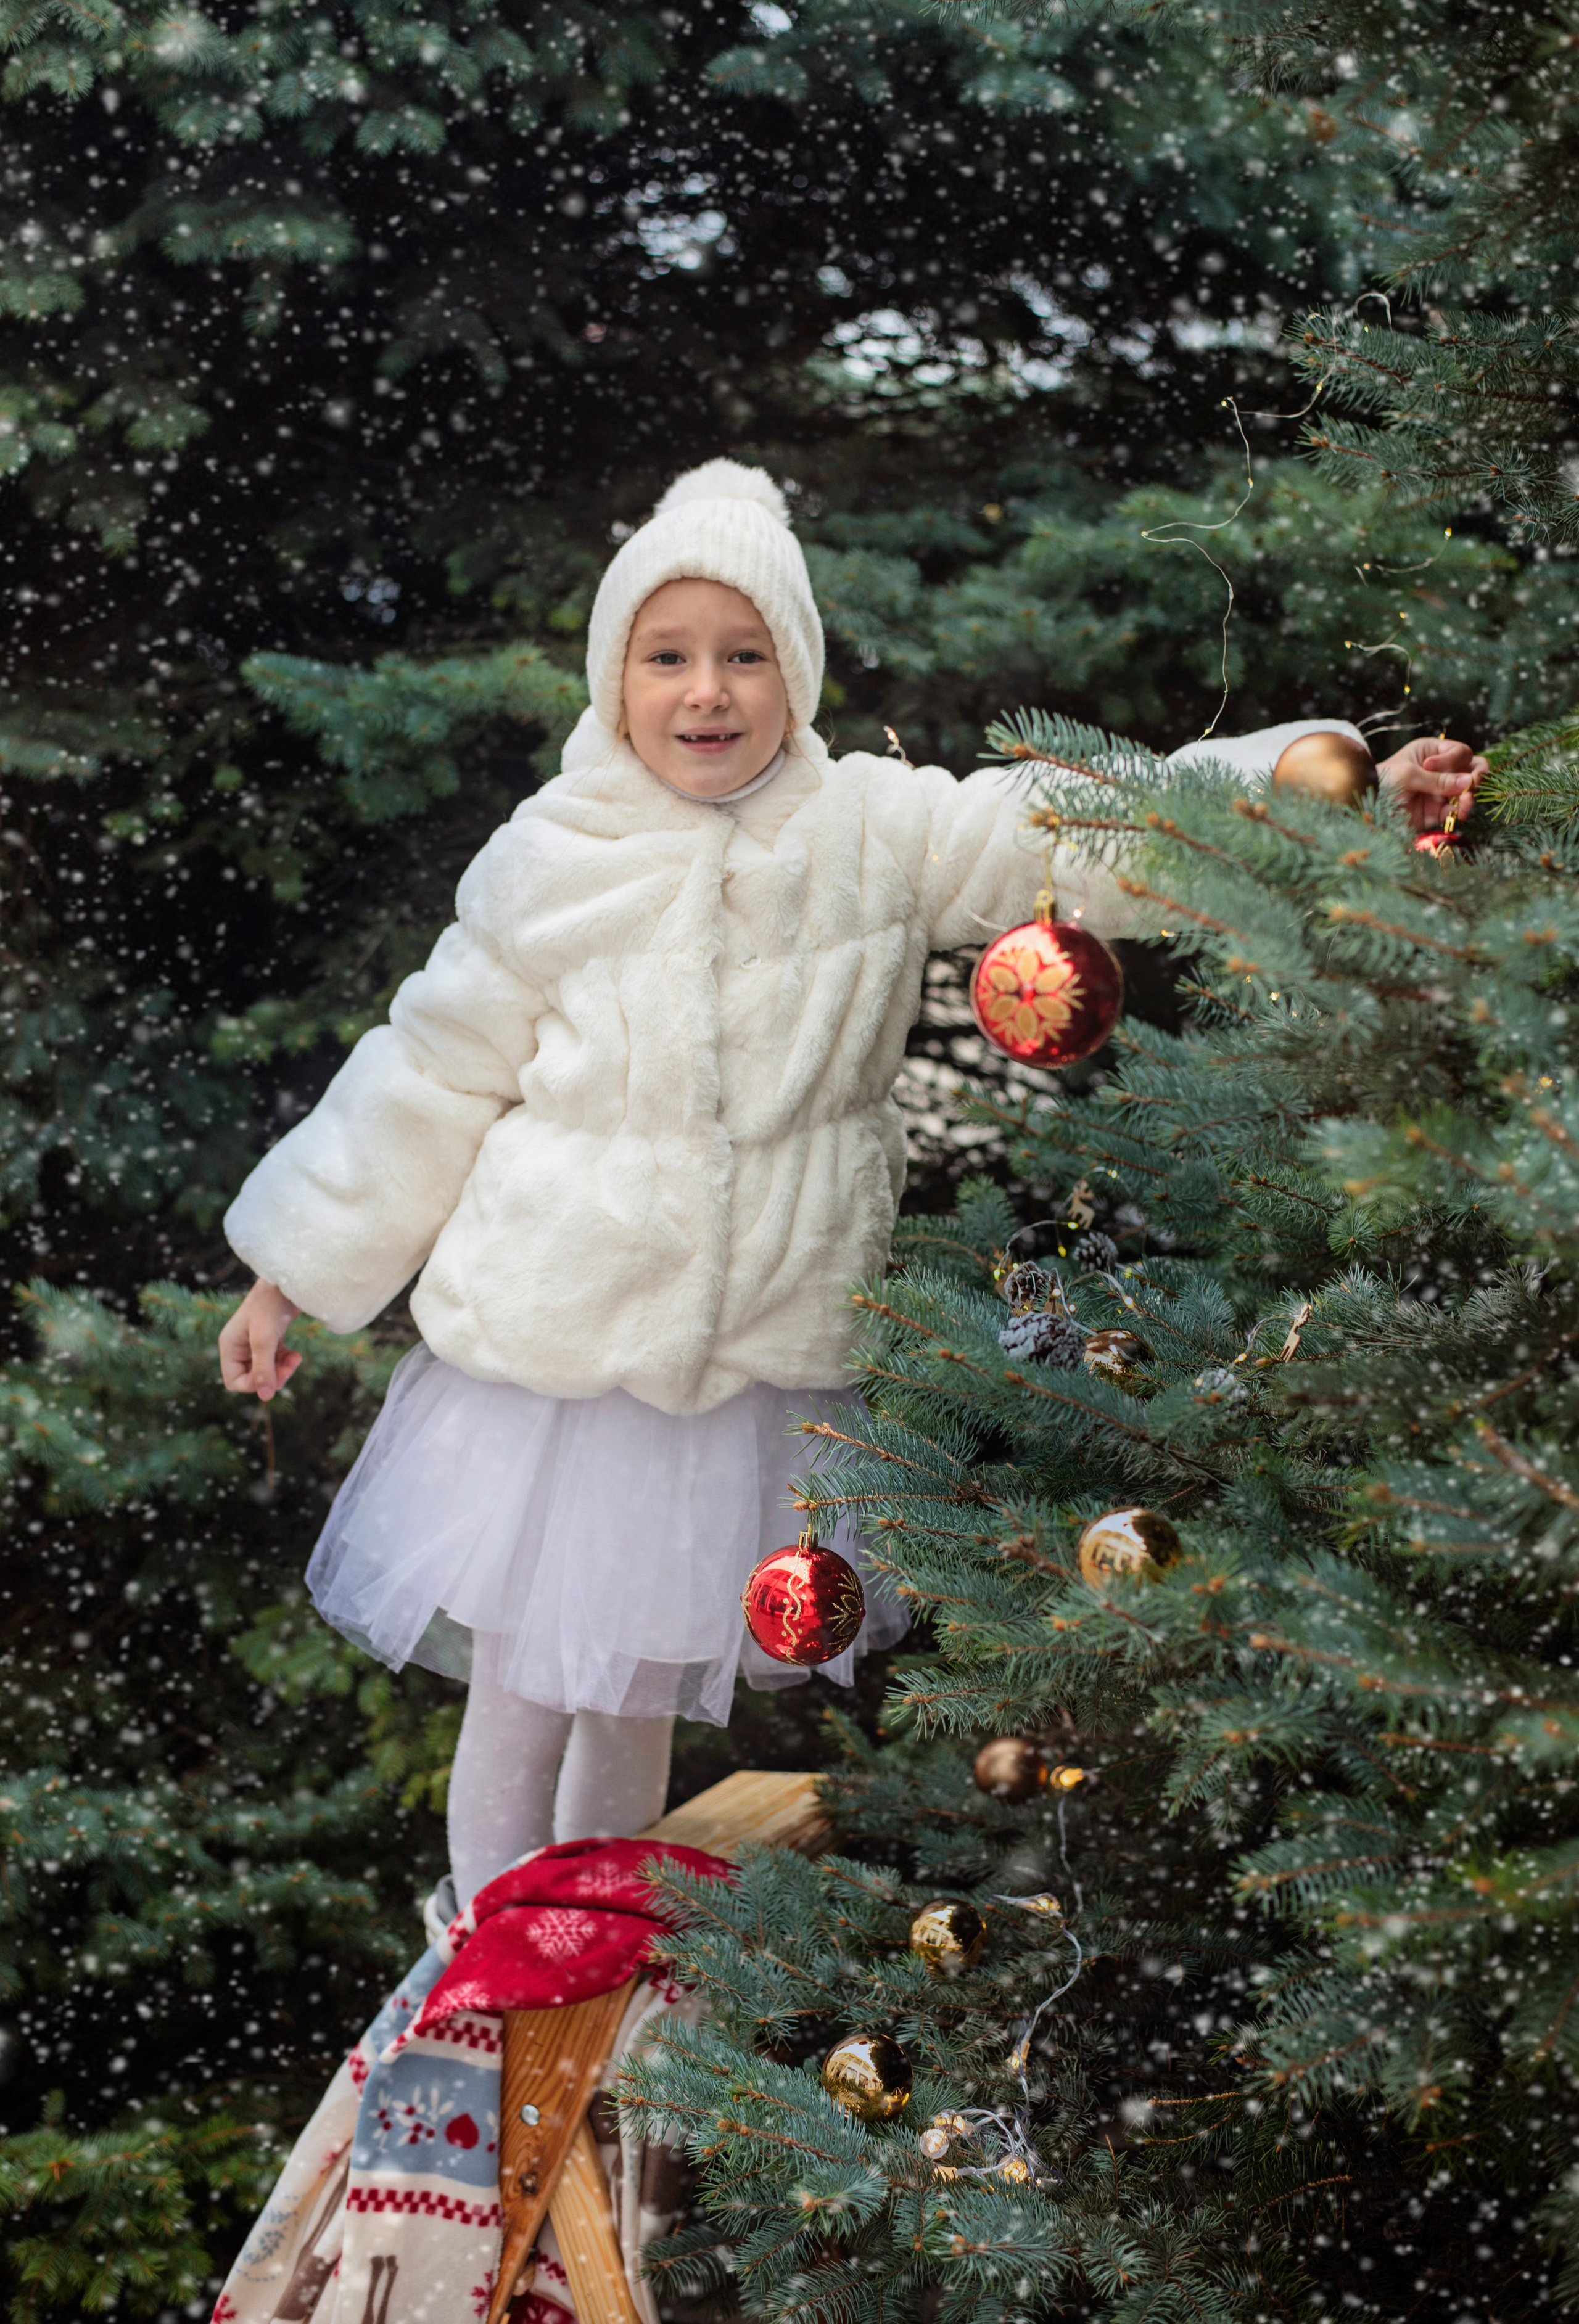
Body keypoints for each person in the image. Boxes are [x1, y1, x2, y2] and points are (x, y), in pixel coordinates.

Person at [216, 459, 1485, 1914]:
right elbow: (428, 1071)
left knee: (635, 1682)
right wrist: (292, 1270)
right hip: (554, 1351)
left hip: (755, 1345)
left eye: (745, 656)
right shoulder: (550, 853)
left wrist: (1315, 788)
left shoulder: (871, 827)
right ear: (612, 675)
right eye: (669, 656)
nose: (707, 692)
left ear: (795, 673)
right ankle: (487, 1956)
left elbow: (1062, 825)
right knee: (522, 1680)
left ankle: (596, 1929)